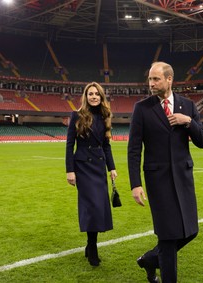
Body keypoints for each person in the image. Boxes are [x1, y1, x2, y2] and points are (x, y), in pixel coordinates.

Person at [128, 61, 203, 282]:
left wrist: (188, 122)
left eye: (156, 79)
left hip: (183, 178)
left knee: (191, 231)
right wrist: (135, 184)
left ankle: (150, 260)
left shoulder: (188, 106)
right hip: (158, 181)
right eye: (150, 79)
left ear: (169, 79)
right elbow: (134, 149)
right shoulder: (142, 108)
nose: (151, 83)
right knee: (167, 236)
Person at [65, 82, 118, 266]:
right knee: (92, 206)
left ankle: (90, 244)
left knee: (98, 207)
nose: (94, 96)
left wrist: (112, 168)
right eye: (90, 94)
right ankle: (92, 246)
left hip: (99, 167)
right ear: (86, 97)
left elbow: (106, 146)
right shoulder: (77, 115)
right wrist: (69, 170)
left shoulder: (105, 116)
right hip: (83, 168)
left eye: (97, 94)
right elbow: (69, 145)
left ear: (101, 97)